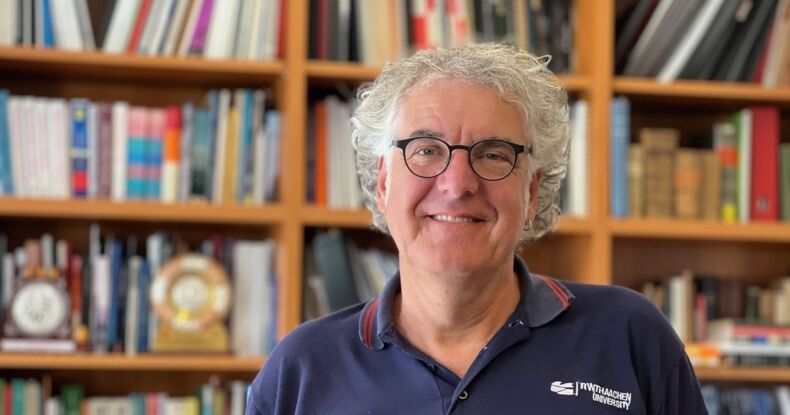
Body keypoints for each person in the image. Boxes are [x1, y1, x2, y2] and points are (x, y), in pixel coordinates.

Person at [246, 43, 707, 414]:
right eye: (426, 150)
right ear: (384, 184)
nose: (457, 184)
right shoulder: (303, 369)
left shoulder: (628, 336)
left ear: (530, 193)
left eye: (492, 154)